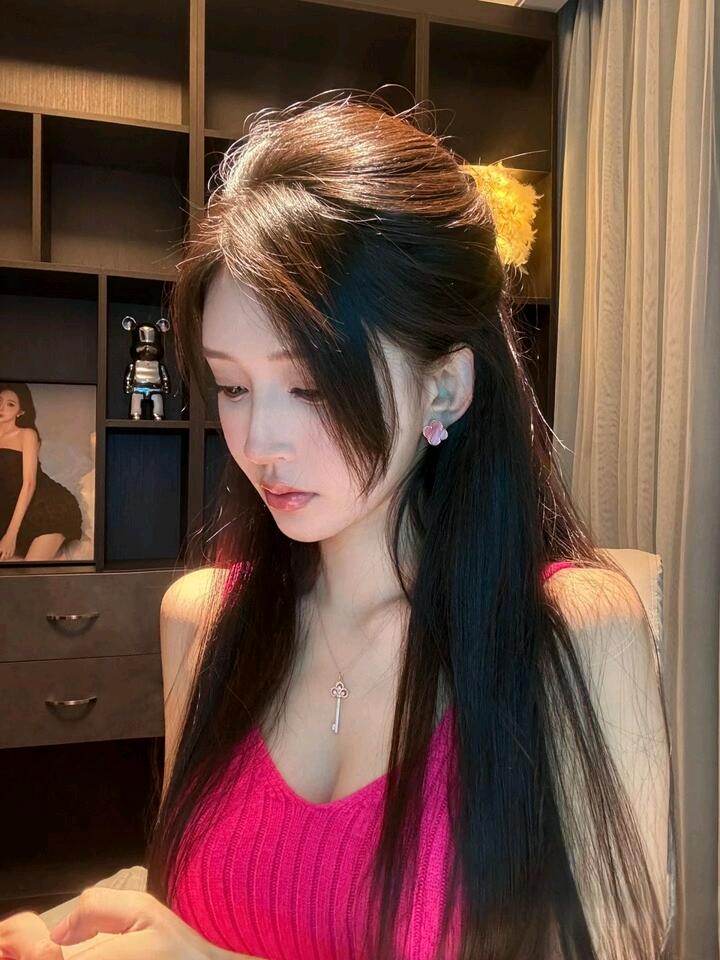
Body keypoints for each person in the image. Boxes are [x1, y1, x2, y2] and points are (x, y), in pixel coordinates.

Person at [0, 92, 674, 960]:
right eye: (233, 387)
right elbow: (205, 904)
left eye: (311, 386)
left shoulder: (573, 636)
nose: (259, 442)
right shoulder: (202, 621)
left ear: (443, 389)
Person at [0, 382, 83, 562]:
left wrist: (11, 533)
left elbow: (29, 483)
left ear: (20, 411)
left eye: (10, 404)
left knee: (30, 569)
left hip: (46, 504)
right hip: (10, 507)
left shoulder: (26, 434)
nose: (2, 408)